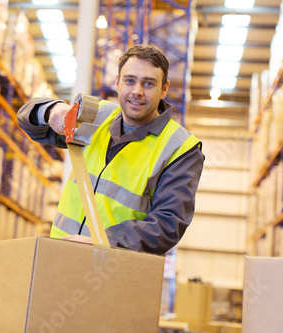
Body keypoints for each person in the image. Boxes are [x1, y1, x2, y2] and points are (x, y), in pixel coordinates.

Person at [17, 44, 204, 255]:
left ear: (164, 89)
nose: (137, 91)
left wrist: (103, 241)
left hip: (113, 268)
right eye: (129, 80)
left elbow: (168, 223)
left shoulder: (180, 148)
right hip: (59, 254)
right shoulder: (96, 116)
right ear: (117, 82)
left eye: (149, 83)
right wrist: (51, 109)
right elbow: (27, 121)